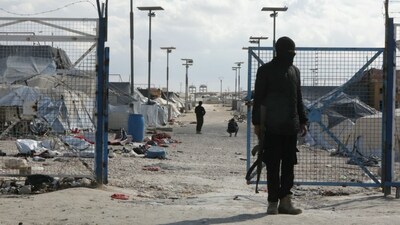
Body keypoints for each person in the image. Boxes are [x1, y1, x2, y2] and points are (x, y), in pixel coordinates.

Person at [252, 36, 308, 215]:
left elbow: (298, 98)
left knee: (289, 165)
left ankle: (285, 202)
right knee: (273, 165)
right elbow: (258, 98)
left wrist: (303, 120)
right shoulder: (265, 70)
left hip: (290, 127)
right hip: (271, 127)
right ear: (278, 52)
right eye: (288, 53)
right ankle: (272, 202)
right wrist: (257, 123)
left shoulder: (295, 71)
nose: (291, 56)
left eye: (293, 53)